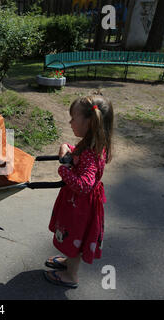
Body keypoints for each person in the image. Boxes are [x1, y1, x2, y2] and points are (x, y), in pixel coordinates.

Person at [44, 94, 114, 288]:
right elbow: (81, 157)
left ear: (89, 122)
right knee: (74, 238)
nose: (70, 121)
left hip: (80, 207)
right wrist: (66, 147)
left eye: (74, 118)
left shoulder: (91, 153)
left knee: (75, 238)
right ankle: (68, 263)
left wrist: (63, 170)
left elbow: (83, 185)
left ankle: (71, 276)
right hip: (79, 204)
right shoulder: (93, 144)